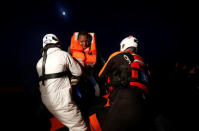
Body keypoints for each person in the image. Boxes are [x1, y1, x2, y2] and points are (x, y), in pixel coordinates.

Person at [89, 35, 151, 131]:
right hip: (144, 104)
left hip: (122, 99)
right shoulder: (144, 63)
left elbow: (101, 76)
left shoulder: (117, 55)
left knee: (92, 118)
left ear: (123, 46)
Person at [36, 34, 88, 131]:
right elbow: (78, 72)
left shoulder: (39, 62)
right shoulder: (63, 54)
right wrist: (73, 82)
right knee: (80, 128)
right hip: (60, 101)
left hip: (45, 101)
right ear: (57, 43)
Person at [69, 31, 100, 97]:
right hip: (76, 74)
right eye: (82, 41)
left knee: (96, 86)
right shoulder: (71, 50)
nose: (84, 43)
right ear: (77, 41)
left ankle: (96, 99)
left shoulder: (91, 50)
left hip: (88, 73)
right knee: (75, 87)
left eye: (86, 41)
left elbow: (96, 62)